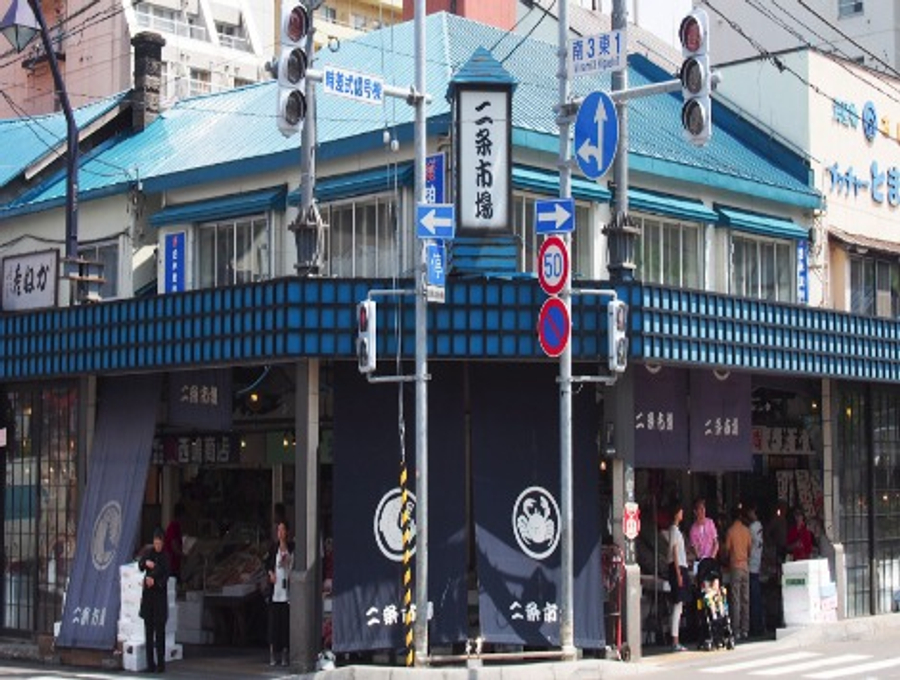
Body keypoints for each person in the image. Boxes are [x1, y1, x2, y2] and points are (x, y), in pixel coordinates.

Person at [139, 527, 170, 674]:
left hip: (159, 599)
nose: (157, 546)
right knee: (148, 633)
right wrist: (146, 564)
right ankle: (150, 664)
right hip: (148, 599)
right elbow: (140, 565)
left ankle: (161, 664)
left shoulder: (165, 557)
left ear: (163, 543)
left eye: (159, 543)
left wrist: (155, 581)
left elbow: (165, 576)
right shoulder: (149, 553)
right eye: (155, 543)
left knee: (160, 633)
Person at [267, 520, 293, 667]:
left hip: (286, 591)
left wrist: (287, 561)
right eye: (278, 530)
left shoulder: (291, 547)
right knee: (274, 624)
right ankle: (272, 653)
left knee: (285, 625)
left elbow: (293, 564)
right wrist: (271, 573)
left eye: (283, 530)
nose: (280, 533)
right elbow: (268, 564)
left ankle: (284, 653)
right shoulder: (273, 548)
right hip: (275, 590)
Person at [724, 506, 751, 640]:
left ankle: (736, 630)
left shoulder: (730, 531)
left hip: (735, 566)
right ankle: (745, 629)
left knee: (735, 599)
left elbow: (726, 550)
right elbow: (750, 549)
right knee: (745, 599)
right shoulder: (747, 531)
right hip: (745, 566)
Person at [666, 501, 690, 652]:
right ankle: (675, 640)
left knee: (679, 605)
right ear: (676, 514)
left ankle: (675, 638)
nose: (682, 514)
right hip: (678, 567)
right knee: (678, 604)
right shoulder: (674, 531)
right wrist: (679, 573)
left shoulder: (675, 531)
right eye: (680, 511)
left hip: (679, 567)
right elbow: (674, 552)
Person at [747, 504, 765, 636]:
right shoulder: (760, 526)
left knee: (752, 599)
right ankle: (759, 625)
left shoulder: (751, 528)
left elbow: (747, 546)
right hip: (757, 564)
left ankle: (755, 626)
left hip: (750, 564)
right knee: (757, 597)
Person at [689, 498, 719, 563]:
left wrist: (712, 558)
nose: (703, 511)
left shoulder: (710, 523)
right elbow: (695, 549)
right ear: (695, 512)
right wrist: (702, 560)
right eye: (700, 508)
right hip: (701, 561)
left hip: (711, 559)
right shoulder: (693, 529)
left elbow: (716, 543)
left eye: (704, 508)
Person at [163, 502, 185, 582]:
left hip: (175, 565)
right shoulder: (173, 527)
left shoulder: (177, 527)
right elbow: (174, 547)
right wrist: (184, 556)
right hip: (171, 565)